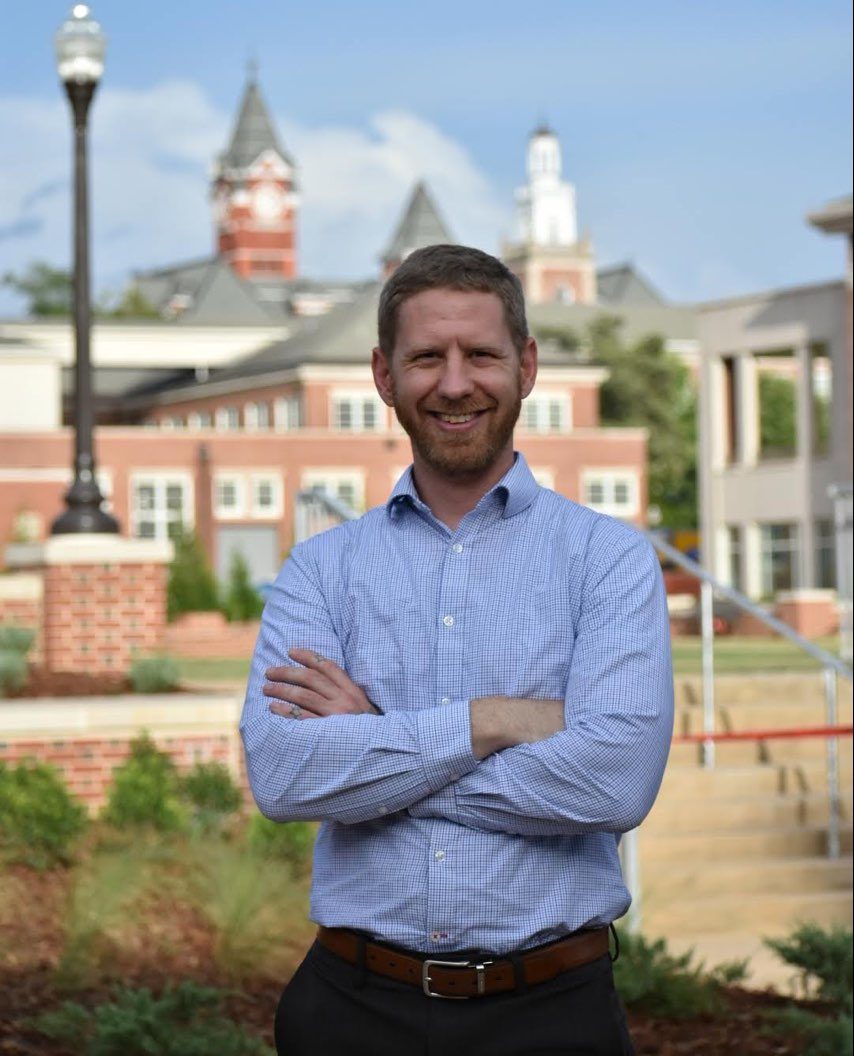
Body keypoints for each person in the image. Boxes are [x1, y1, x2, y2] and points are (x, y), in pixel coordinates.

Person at [240, 244, 673, 1056]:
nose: (454, 382)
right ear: (382, 374)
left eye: (480, 354)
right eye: (425, 357)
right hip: (349, 1011)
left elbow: (614, 785)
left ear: (528, 365)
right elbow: (284, 774)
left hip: (553, 1016)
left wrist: (377, 741)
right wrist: (490, 721)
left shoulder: (609, 561)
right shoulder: (321, 569)